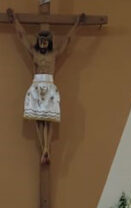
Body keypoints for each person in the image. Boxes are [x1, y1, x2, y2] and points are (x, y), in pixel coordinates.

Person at [6, 8, 84, 163]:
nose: (43, 43)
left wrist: (77, 24)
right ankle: (44, 149)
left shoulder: (54, 53)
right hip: (37, 85)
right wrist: (14, 19)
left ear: (48, 42)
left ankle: (47, 148)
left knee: (48, 119)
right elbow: (22, 36)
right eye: (41, 41)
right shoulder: (34, 53)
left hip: (49, 85)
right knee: (38, 119)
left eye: (45, 41)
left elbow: (67, 40)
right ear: (38, 41)